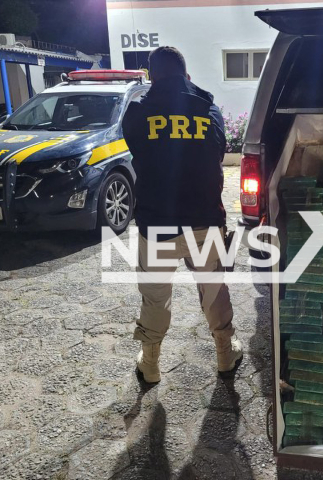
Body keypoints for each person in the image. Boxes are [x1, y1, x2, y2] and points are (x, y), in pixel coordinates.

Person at [122, 46, 242, 383]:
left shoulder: (137, 111)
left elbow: (138, 148)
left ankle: (150, 365)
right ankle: (224, 355)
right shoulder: (209, 108)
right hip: (204, 220)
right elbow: (217, 151)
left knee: (155, 298)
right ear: (187, 76)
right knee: (214, 290)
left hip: (157, 224)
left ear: (150, 77)